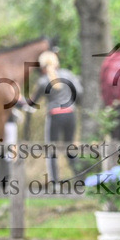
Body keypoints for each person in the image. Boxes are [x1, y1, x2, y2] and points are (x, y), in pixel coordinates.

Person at [29, 51, 83, 183]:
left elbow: (31, 103)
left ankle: (55, 182)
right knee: (70, 148)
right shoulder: (68, 75)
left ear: (42, 66)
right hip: (70, 114)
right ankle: (80, 179)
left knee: (51, 150)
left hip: (54, 116)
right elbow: (80, 92)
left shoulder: (43, 81)